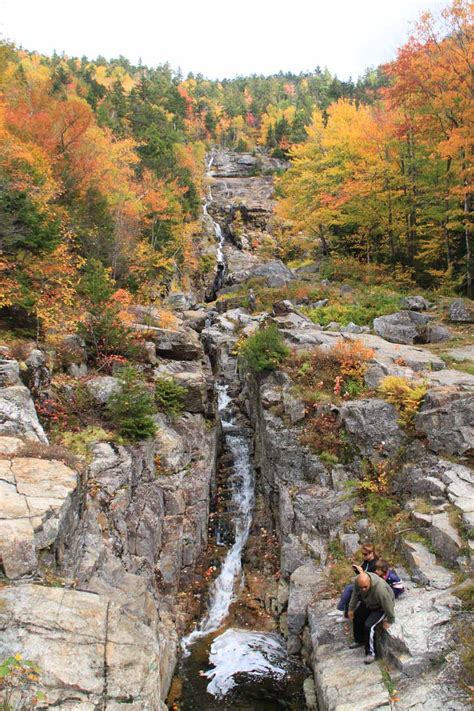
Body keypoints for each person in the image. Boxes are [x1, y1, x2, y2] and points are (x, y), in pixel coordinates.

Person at [348, 571, 395, 664]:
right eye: (361, 587)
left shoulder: (380, 590)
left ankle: (371, 653)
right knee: (357, 616)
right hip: (369, 603)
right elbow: (355, 594)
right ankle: (359, 640)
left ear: (370, 582)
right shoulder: (358, 582)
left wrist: (390, 619)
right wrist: (351, 609)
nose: (363, 589)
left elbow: (388, 604)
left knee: (369, 625)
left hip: (380, 607)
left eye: (365, 587)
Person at [328, 543, 378, 619]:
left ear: (372, 553)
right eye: (362, 554)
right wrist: (356, 570)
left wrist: (361, 571)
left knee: (349, 589)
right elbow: (362, 572)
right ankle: (345, 614)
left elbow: (370, 579)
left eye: (365, 554)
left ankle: (340, 610)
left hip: (370, 587)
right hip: (363, 584)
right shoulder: (367, 561)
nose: (363, 556)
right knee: (350, 591)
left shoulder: (375, 564)